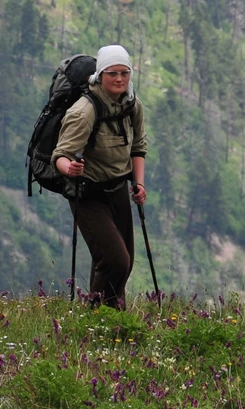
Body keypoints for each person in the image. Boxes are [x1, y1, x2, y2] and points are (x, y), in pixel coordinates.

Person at [51, 44, 147, 308]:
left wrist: (138, 183)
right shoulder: (84, 111)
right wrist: (68, 168)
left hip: (117, 190)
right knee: (116, 260)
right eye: (112, 73)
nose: (119, 79)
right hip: (88, 194)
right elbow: (60, 154)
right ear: (100, 75)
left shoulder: (131, 105)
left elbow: (138, 147)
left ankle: (108, 319)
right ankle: (101, 318)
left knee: (121, 262)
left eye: (124, 73)